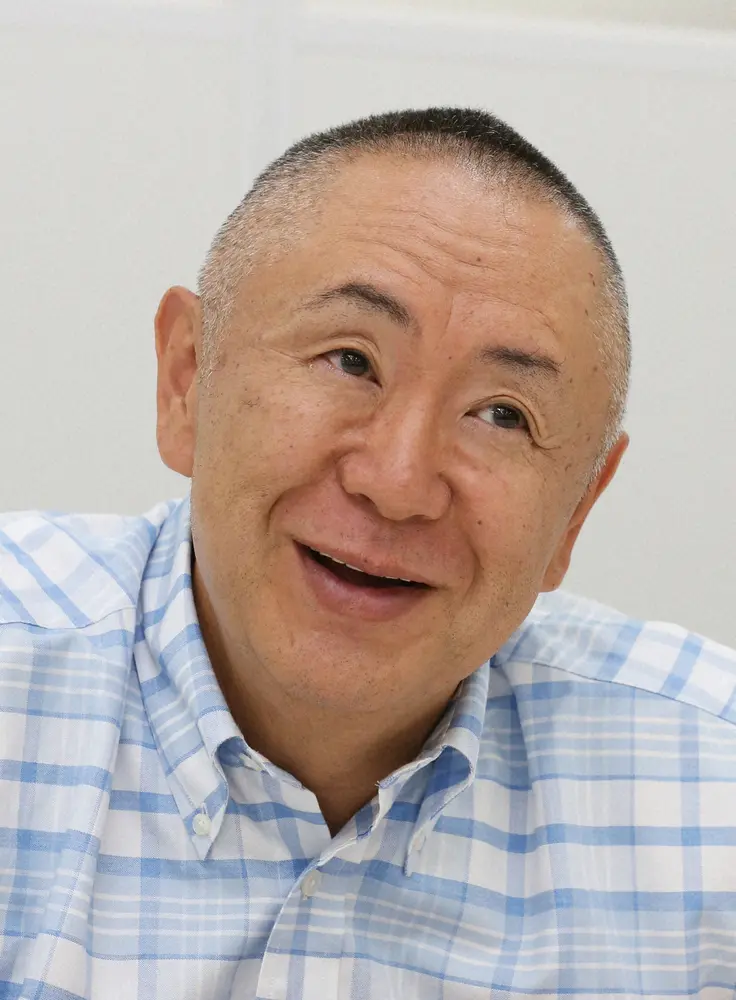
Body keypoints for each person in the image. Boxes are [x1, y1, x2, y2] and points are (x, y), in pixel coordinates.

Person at [1, 107, 734, 1000]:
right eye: (349, 360)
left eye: (502, 415)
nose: (397, 482)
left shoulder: (712, 802)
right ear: (186, 379)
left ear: (578, 509)